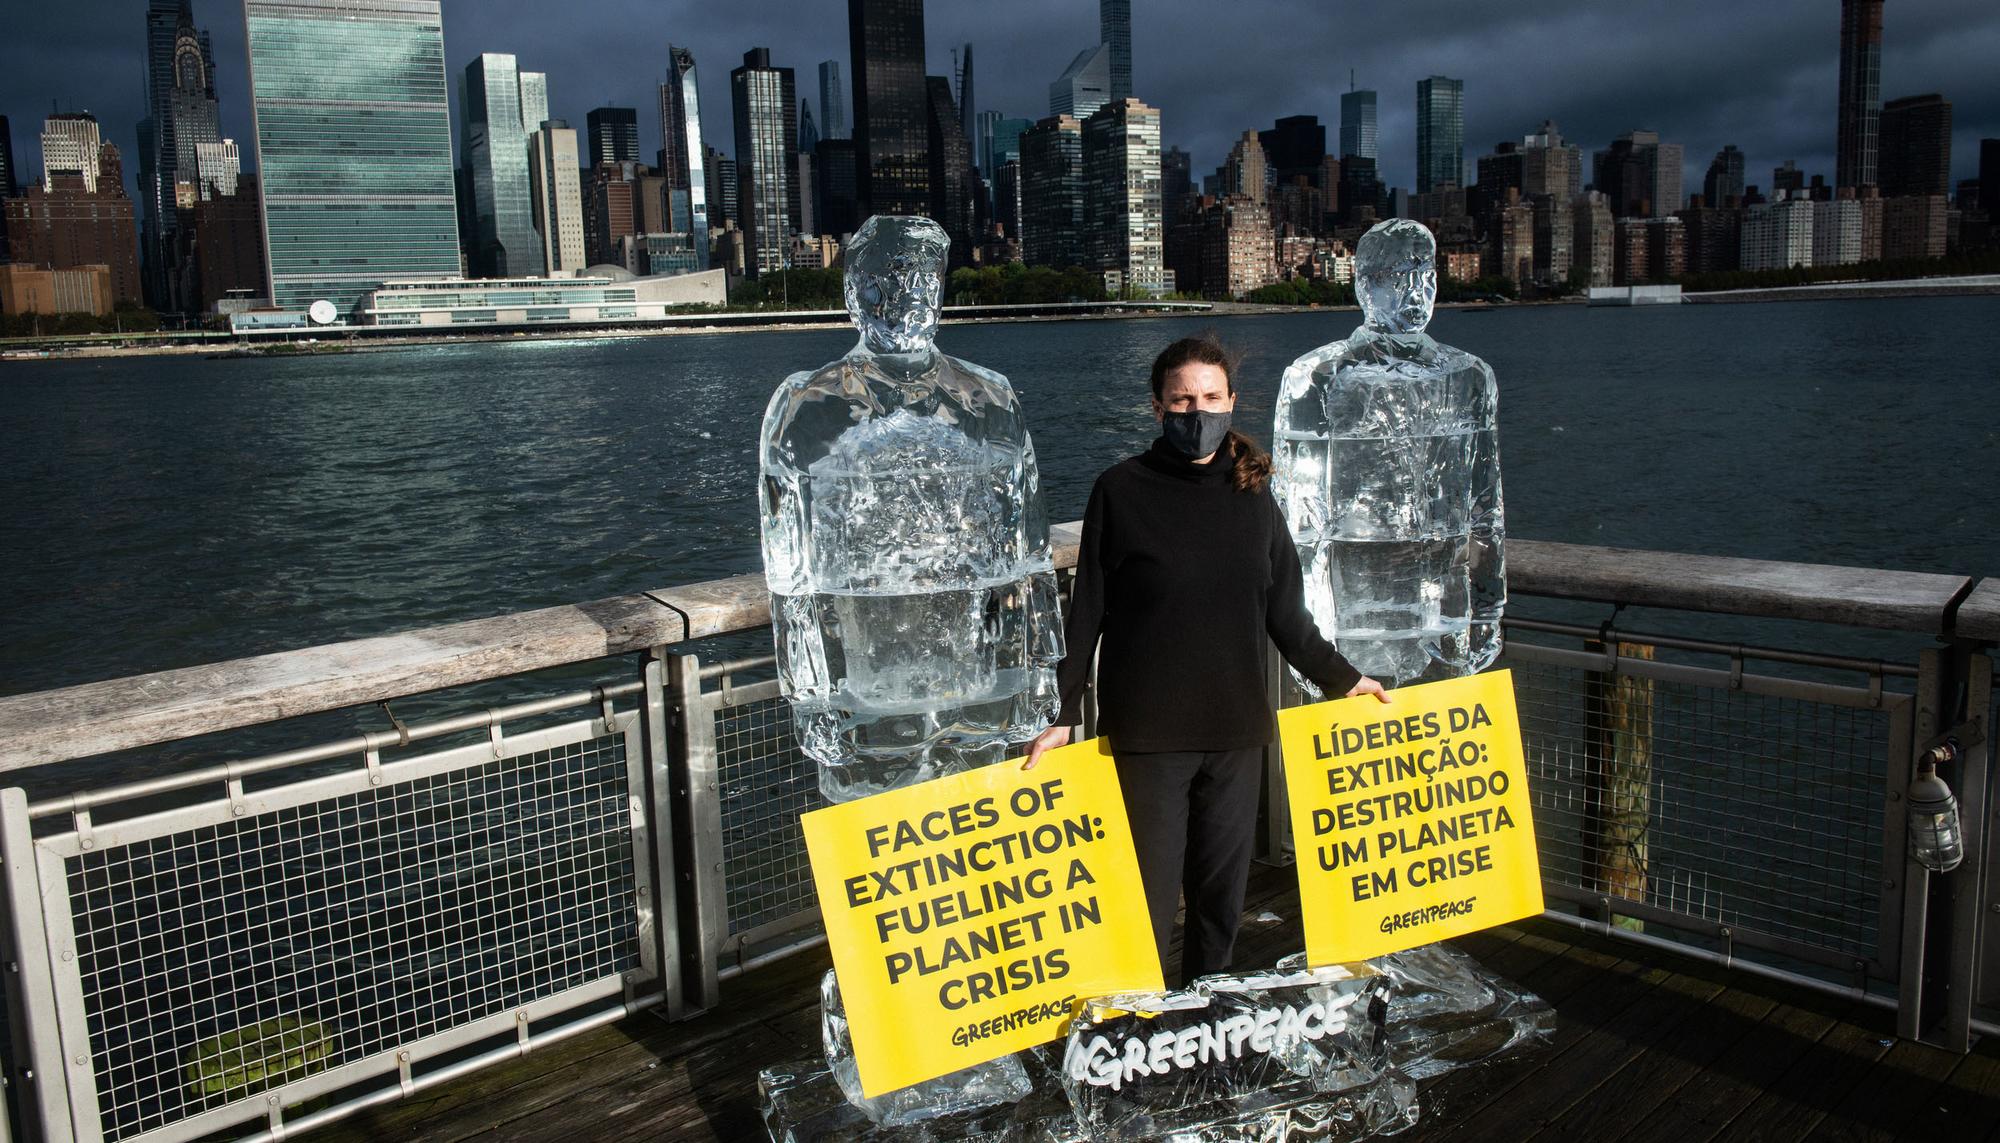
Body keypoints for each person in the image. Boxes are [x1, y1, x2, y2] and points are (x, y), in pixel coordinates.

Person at [1022, 335, 1389, 986]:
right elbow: (1088, 615)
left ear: (1232, 402)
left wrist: (1345, 679)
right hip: (1148, 737)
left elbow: (1287, 616)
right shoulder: (1119, 490)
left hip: (1236, 734)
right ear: (1158, 409)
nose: (1199, 411)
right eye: (1183, 399)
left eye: (1211, 398)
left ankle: (1209, 1006)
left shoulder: (1255, 499)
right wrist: (1062, 710)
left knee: (1221, 900)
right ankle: (1138, 1020)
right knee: (1147, 897)